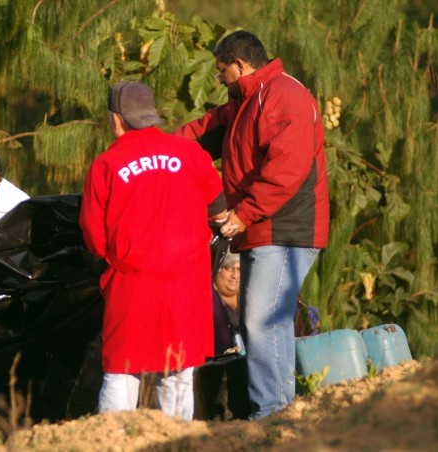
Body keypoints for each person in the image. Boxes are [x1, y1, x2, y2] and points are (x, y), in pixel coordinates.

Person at [175, 30, 329, 419]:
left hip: (287, 227)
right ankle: (276, 409)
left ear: (241, 66)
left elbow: (287, 169)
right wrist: (158, 152)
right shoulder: (244, 102)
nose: (218, 78)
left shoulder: (283, 96)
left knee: (263, 319)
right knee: (257, 320)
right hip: (263, 227)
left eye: (221, 70)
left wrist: (243, 213)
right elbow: (200, 133)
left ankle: (274, 413)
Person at [79, 81, 227, 420]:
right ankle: (174, 442)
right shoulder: (191, 153)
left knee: (121, 370)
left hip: (131, 283)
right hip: (186, 283)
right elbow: (219, 210)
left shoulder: (107, 163)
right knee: (178, 373)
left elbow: (94, 236)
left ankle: (113, 442)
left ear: (116, 120)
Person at [198, 250, 250, 420]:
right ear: (217, 270)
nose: (235, 275)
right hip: (212, 374)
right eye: (229, 268)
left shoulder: (249, 298)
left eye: (240, 269)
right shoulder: (205, 298)